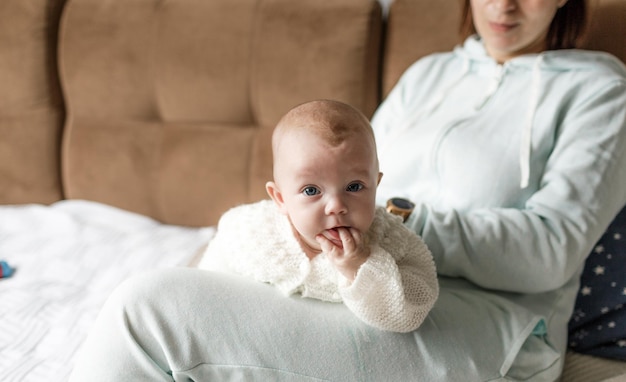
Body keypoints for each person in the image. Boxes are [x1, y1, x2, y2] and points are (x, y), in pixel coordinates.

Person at [69, 0, 626, 380]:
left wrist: (396, 222)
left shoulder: (601, 90)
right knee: (188, 279)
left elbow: (554, 250)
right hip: (346, 283)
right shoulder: (430, 74)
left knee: (147, 310)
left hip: (487, 324)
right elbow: (349, 172)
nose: (504, 5)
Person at [196, 99, 438, 333]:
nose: (336, 206)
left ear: (376, 184)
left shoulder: (394, 241)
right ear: (280, 199)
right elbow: (206, 288)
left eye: (354, 187)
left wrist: (360, 266)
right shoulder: (250, 231)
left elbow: (410, 311)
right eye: (311, 190)